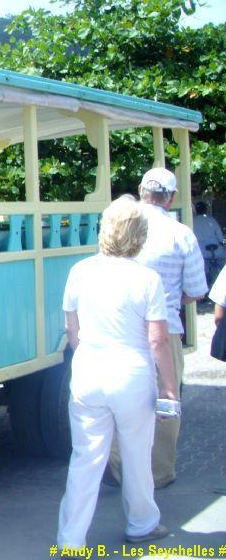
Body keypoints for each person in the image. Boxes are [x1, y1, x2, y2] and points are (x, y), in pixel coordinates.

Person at [56, 197, 177, 552]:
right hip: (131, 374)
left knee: (85, 458)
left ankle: (70, 541)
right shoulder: (147, 278)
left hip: (89, 371)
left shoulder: (79, 271)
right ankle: (142, 524)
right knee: (138, 456)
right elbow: (158, 340)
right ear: (139, 235)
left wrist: (88, 357)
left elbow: (71, 329)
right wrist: (169, 388)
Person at [105, 168, 208, 490]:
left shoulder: (120, 229)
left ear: (140, 190)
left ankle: (118, 469)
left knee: (120, 400)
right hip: (166, 329)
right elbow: (196, 290)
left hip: (120, 329)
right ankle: (159, 473)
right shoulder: (181, 234)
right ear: (172, 198)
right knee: (166, 399)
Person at [192, 201, 225, 284]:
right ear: (206, 210)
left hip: (202, 252)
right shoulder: (211, 220)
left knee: (202, 272)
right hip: (217, 251)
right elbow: (220, 236)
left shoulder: (193, 221)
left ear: (196, 210)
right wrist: (221, 243)